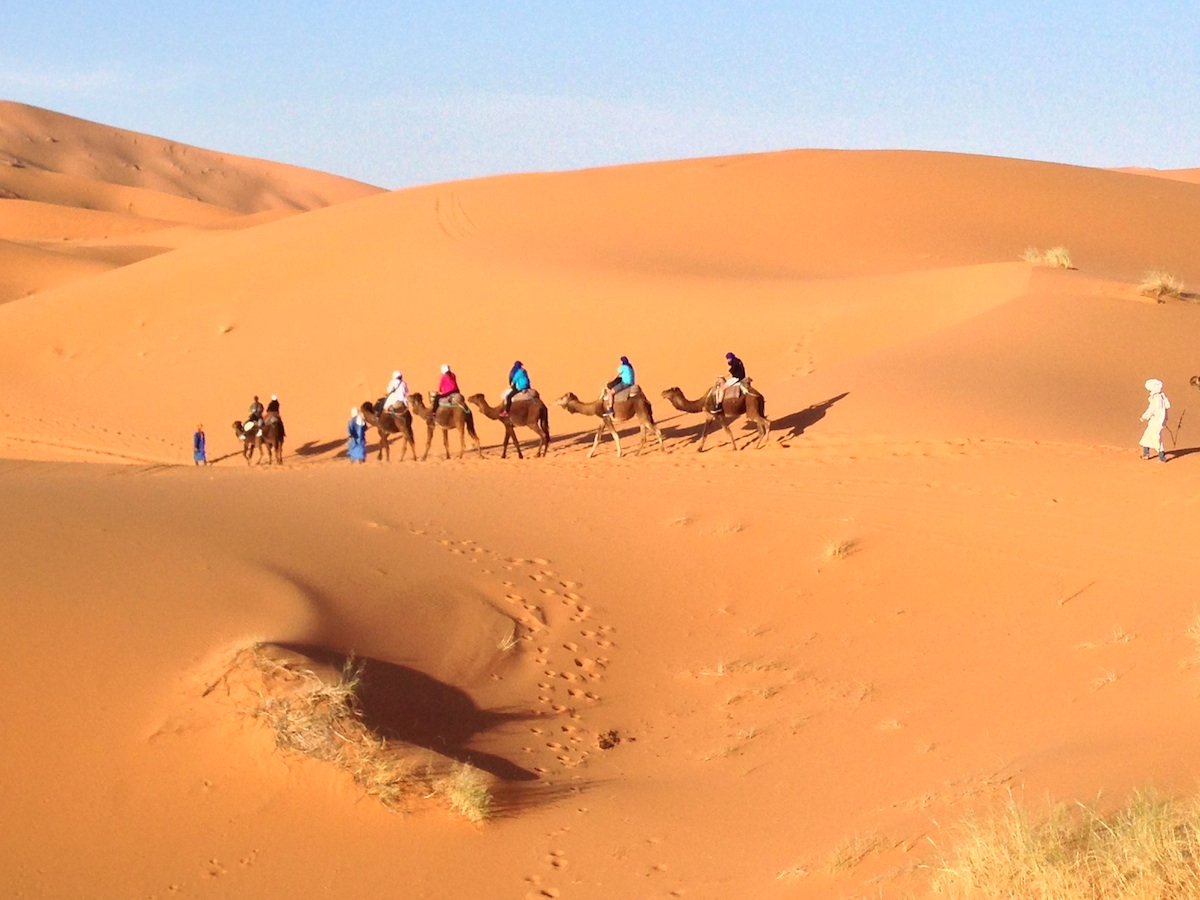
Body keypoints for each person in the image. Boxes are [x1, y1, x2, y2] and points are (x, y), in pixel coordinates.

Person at [1139, 378, 1171, 462]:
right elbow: (1166, 407)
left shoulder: (1157, 398)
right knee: (1147, 436)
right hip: (1159, 420)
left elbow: (1151, 410)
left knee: (1156, 438)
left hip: (1156, 421)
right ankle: (1146, 454)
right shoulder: (1162, 396)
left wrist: (1144, 417)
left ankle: (1162, 457)